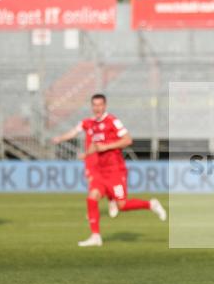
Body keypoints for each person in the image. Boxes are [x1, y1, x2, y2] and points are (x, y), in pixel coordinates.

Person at [53, 94, 166, 246]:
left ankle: (151, 204)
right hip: (100, 172)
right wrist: (61, 139)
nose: (97, 108)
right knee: (92, 198)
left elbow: (128, 140)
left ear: (105, 106)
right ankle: (95, 236)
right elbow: (75, 132)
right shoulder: (89, 123)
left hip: (116, 173)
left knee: (123, 204)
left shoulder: (113, 121)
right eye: (94, 105)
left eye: (100, 105)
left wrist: (106, 146)